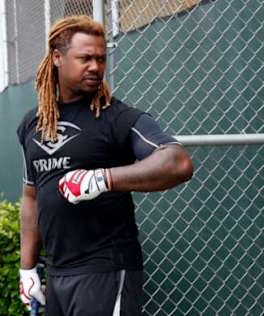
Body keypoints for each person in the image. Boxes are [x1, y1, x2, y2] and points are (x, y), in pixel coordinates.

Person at [16, 15, 193, 315]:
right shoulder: (33, 124)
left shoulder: (115, 117)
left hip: (107, 270)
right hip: (57, 274)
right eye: (85, 58)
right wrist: (27, 269)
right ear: (57, 58)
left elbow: (177, 162)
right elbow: (31, 198)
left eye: (101, 59)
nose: (96, 67)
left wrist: (101, 178)